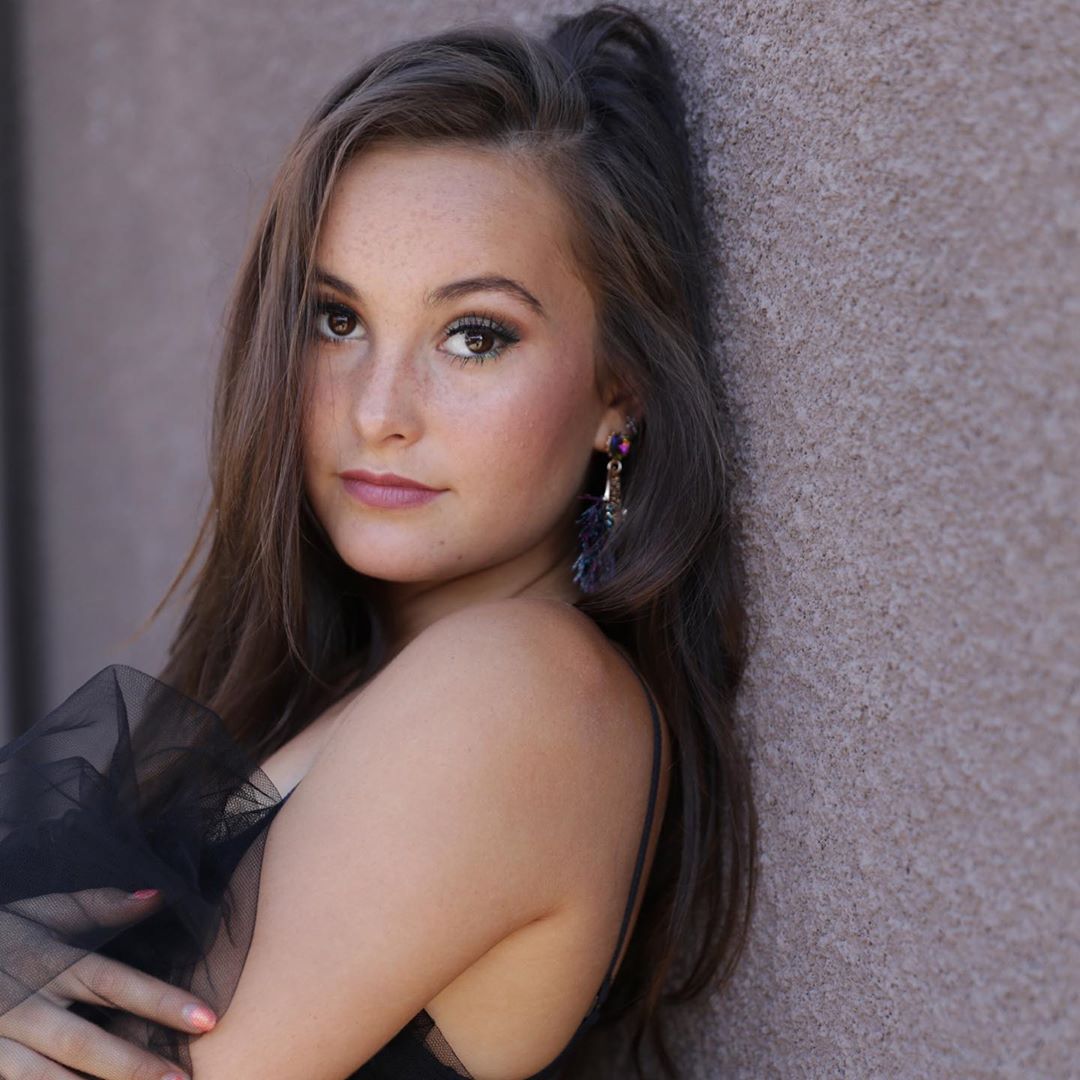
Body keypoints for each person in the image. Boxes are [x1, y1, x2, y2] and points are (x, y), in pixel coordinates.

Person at [0, 4, 756, 1078]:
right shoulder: (359, 683)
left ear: (617, 392)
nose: (377, 411)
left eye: (475, 335)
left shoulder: (522, 690)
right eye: (337, 319)